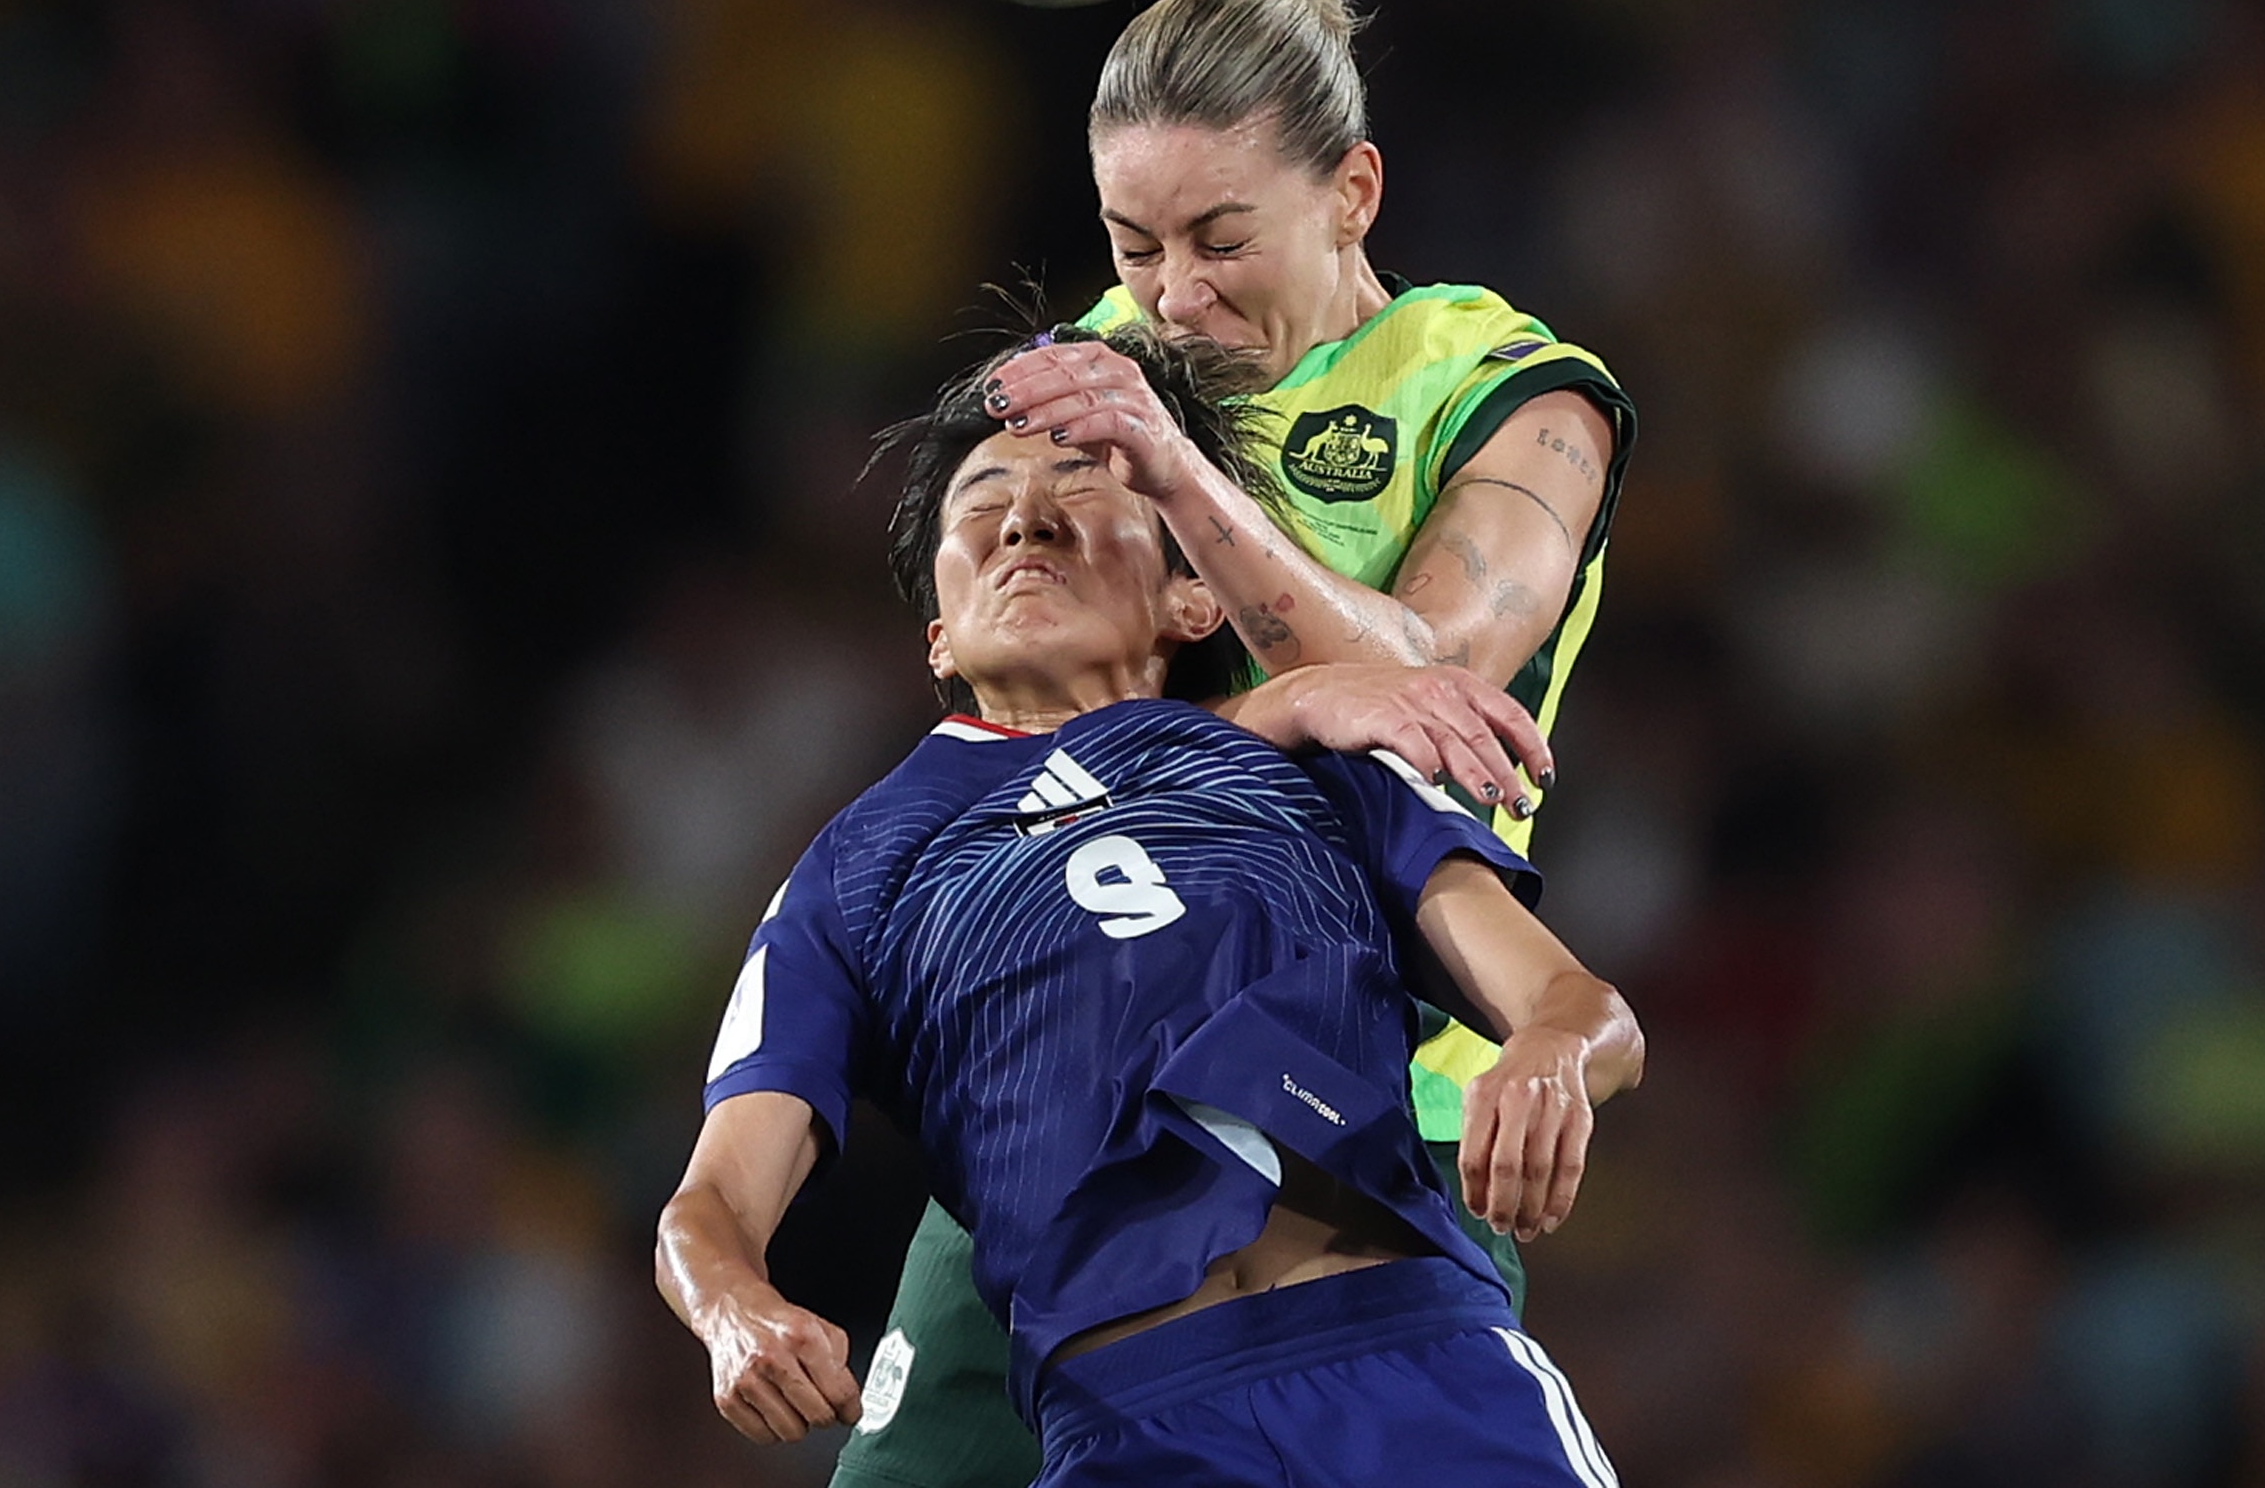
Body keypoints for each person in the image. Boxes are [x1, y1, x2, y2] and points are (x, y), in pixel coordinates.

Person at [842, 0, 1638, 1488]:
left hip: (1369, 1117)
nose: (1174, 298)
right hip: (1068, 1077)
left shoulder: (1511, 398)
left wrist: (1179, 477)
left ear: (1352, 195)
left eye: (1220, 241)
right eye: (1134, 246)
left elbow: (1426, 692)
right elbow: (1018, 731)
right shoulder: (1104, 363)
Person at [656, 331, 1640, 1487]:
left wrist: (1551, 1054)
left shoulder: (1326, 760)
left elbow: (1584, 1009)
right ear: (937, 628)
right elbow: (712, 1200)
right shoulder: (853, 870)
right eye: (983, 499)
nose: (1026, 520)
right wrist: (735, 1310)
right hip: (1131, 1427)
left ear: (1189, 598)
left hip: (1421, 1354)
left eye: (1080, 482)